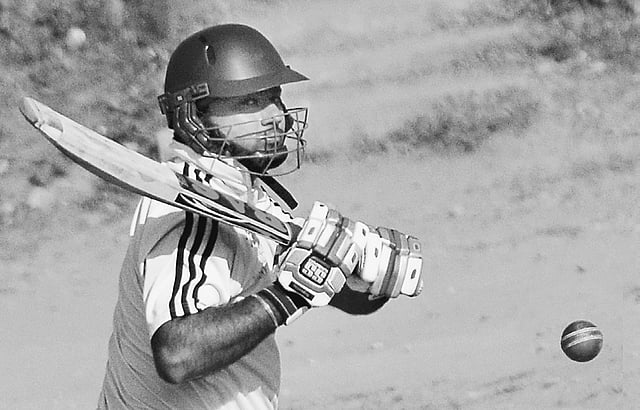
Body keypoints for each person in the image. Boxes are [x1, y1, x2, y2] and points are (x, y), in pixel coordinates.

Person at [97, 23, 422, 409]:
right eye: (250, 102)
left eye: (274, 97)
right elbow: (177, 354)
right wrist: (290, 294)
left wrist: (367, 276)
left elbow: (336, 293)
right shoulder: (190, 210)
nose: (276, 116)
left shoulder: (248, 200)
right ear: (194, 115)